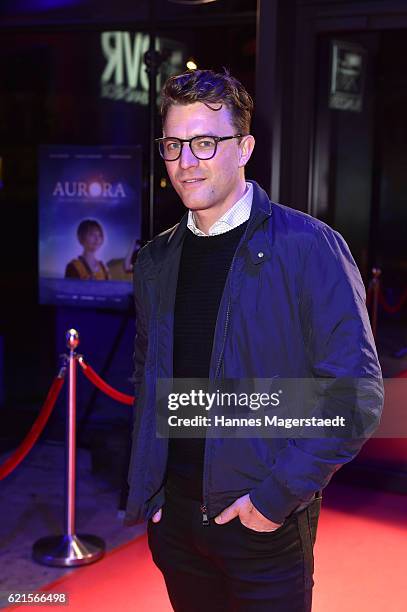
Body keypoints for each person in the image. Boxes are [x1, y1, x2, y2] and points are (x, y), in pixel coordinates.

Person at [124, 69, 384, 611]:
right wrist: (152, 494)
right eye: (174, 144)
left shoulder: (308, 247)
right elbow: (152, 384)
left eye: (204, 142)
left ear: (244, 148)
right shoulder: (155, 259)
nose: (186, 161)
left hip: (263, 524)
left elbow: (355, 395)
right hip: (177, 526)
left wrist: (272, 500)